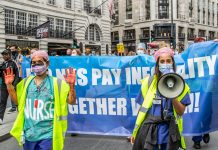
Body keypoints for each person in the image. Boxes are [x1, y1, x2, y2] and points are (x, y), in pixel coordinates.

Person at [5, 50, 76, 150]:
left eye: (39, 62)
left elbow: (71, 101)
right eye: (33, 63)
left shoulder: (57, 83)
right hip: (29, 134)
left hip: (48, 135)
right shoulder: (25, 83)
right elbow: (17, 102)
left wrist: (72, 86)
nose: (36, 65)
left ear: (47, 63)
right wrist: (9, 85)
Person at [131, 47, 191, 150]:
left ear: (173, 63)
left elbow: (180, 112)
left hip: (169, 133)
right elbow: (142, 111)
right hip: (149, 132)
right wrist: (135, 132)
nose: (165, 64)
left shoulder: (181, 85)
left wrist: (173, 95)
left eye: (168, 61)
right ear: (157, 65)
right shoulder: (148, 83)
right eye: (162, 61)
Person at [192, 37, 210, 149]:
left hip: (208, 90)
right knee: (196, 115)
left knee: (207, 114)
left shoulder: (212, 57)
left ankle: (207, 130)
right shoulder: (190, 57)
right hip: (195, 90)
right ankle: (197, 140)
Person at [0, 50, 20, 123]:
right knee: (2, 101)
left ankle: (20, 116)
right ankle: (0, 118)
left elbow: (18, 74)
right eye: (3, 55)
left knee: (16, 102)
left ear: (9, 55)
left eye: (6, 54)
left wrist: (14, 85)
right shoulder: (2, 64)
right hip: (4, 85)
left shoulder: (14, 63)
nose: (4, 56)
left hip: (12, 86)